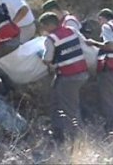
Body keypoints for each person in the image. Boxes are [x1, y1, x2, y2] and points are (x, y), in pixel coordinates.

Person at [39, 12, 90, 144]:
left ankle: (75, 141)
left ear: (50, 25)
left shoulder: (51, 39)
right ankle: (58, 133)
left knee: (69, 109)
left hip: (68, 76)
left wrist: (44, 59)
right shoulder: (72, 30)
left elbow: (47, 59)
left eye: (44, 26)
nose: (43, 29)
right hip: (82, 73)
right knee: (57, 101)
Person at [87, 8, 113, 141]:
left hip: (109, 68)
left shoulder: (107, 26)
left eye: (99, 20)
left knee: (107, 103)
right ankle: (110, 134)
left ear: (102, 18)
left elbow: (110, 46)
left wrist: (93, 43)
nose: (99, 23)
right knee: (111, 102)